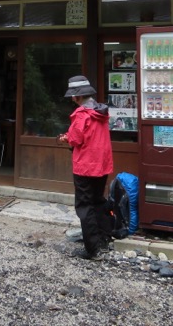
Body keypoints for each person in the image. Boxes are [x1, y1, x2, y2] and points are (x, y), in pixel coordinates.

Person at [58, 75, 113, 260]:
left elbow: (75, 139)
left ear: (76, 96)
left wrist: (65, 138)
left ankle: (93, 249)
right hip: (102, 164)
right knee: (98, 201)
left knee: (85, 205)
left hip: (85, 166)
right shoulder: (101, 112)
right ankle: (104, 241)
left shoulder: (81, 114)